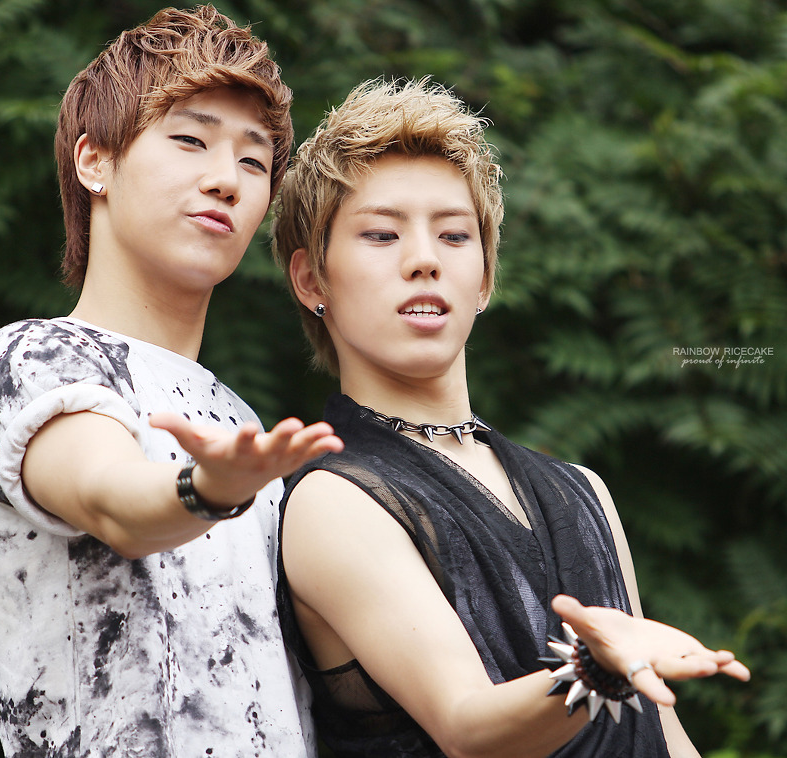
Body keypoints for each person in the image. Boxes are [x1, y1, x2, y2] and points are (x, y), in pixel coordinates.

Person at [270, 78, 749, 758]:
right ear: (311, 280)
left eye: (454, 235)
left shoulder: (583, 491)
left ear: (486, 277)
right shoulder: (333, 500)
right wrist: (593, 671)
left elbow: (662, 735)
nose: (424, 259)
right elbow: (467, 725)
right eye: (381, 234)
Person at [0, 7, 342, 756]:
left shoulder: (240, 423)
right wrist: (207, 488)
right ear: (94, 161)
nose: (225, 181)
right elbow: (115, 500)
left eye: (254, 161)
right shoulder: (38, 359)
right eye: (191, 140)